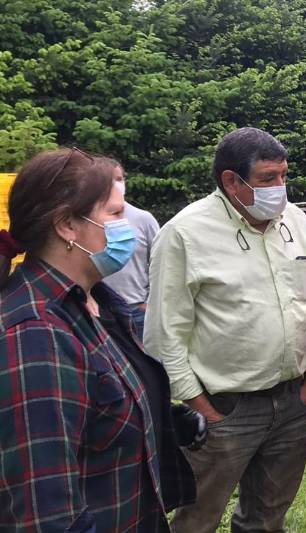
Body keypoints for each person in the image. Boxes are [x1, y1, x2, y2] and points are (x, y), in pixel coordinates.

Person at [0, 148, 202, 533]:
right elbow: (48, 517)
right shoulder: (35, 335)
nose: (128, 225)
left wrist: (165, 421)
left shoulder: (96, 301)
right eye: (115, 214)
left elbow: (93, 410)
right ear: (67, 226)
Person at [145, 127, 306, 533]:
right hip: (224, 408)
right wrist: (205, 411)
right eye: (268, 178)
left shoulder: (296, 221)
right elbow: (165, 336)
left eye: (283, 175)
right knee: (197, 519)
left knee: (268, 518)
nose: (280, 188)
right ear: (231, 181)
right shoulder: (184, 234)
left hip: (292, 400)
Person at [102, 158, 161, 310]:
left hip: (136, 309)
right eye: (109, 180)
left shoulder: (143, 219)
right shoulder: (85, 220)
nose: (116, 184)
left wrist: (149, 302)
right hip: (99, 311)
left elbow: (162, 263)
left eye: (119, 179)